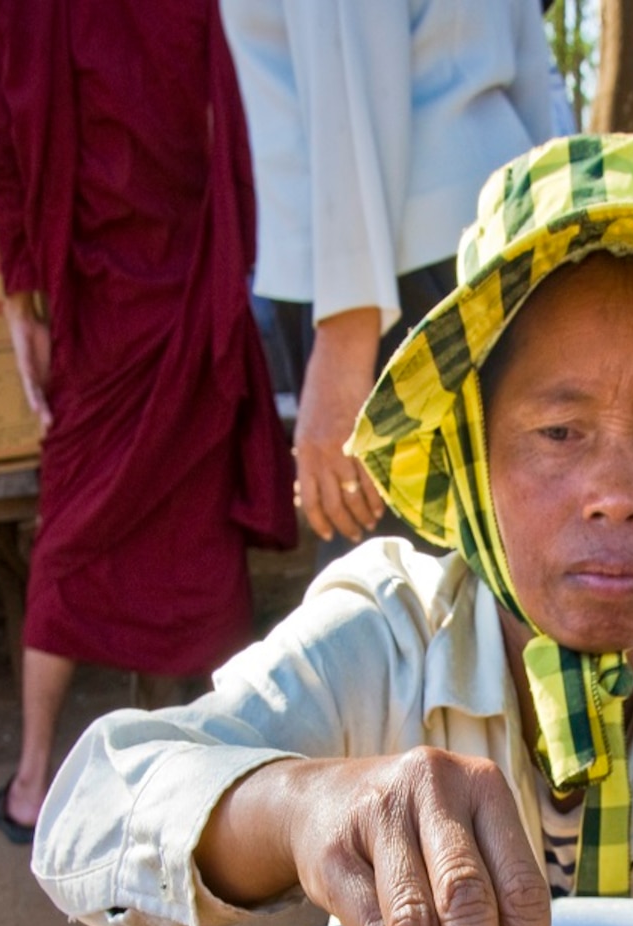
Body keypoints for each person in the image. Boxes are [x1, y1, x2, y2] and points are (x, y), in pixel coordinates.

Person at [32, 135, 633, 926]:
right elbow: (88, 811)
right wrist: (307, 805)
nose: (616, 492)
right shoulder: (383, 643)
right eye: (559, 430)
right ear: (472, 457)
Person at [0, 0, 297, 843]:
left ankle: (30, 783)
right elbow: (234, 127)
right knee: (190, 540)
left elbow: (6, 149)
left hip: (104, 302)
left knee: (77, 530)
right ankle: (228, 777)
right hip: (177, 293)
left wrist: (23, 294)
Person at [218, 0, 555, 549]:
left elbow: (344, 61)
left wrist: (346, 340)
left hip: (389, 274)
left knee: (396, 607)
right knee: (502, 580)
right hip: (496, 240)